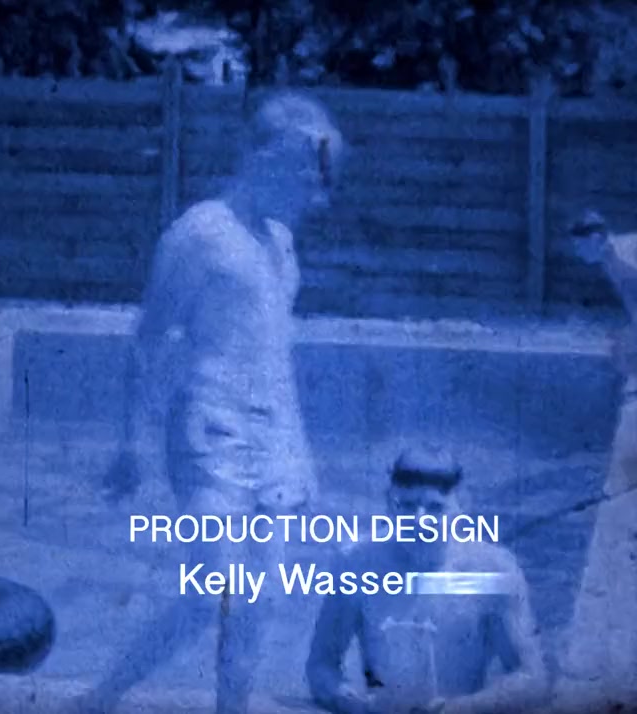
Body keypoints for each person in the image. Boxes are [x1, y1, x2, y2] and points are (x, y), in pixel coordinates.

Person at [72, 93, 341, 714]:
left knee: (261, 599)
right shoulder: (200, 234)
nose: (311, 193)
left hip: (273, 441)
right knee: (213, 590)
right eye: (303, 174)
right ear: (265, 159)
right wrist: (130, 442)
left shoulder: (280, 244)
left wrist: (300, 455)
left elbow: (274, 355)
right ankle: (101, 699)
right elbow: (149, 339)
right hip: (208, 431)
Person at [306, 447, 549, 714]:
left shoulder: (494, 569)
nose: (419, 521)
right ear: (389, 503)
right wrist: (353, 702)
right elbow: (321, 666)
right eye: (407, 506)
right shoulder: (355, 563)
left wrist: (462, 708)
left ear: (462, 506)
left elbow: (532, 677)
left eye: (435, 508)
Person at [558, 211, 637, 701]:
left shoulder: (623, 257)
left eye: (583, 244)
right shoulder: (616, 258)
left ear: (597, 237)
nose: (580, 255)